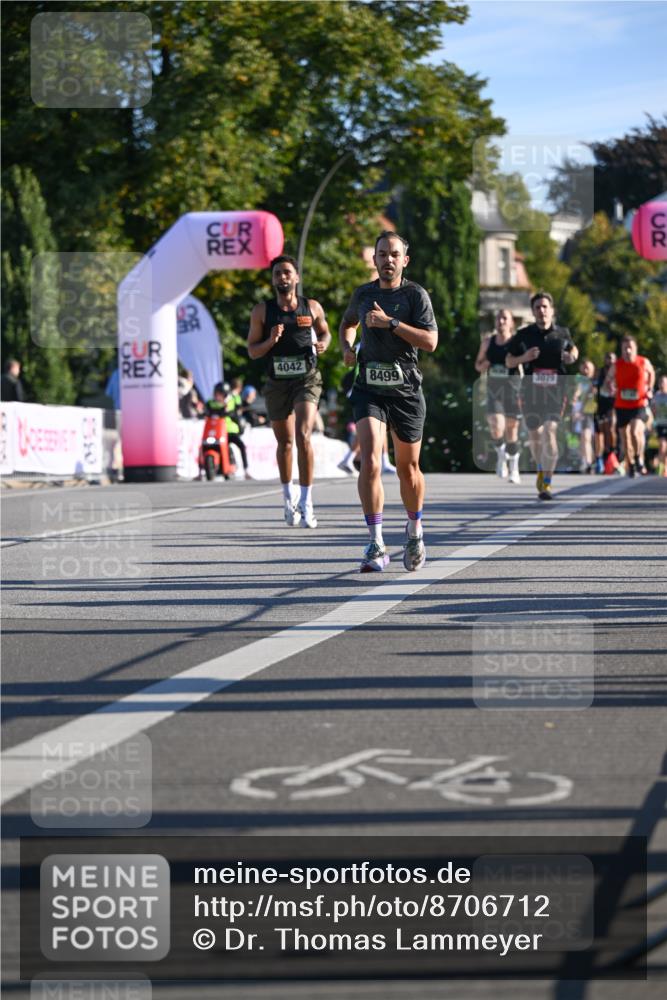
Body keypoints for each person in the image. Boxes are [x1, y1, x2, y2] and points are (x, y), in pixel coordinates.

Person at [339, 230, 438, 572]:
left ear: (404, 260)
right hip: (369, 386)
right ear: (375, 259)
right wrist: (347, 347)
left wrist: (391, 323)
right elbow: (347, 324)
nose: (388, 260)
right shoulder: (363, 294)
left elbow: (430, 342)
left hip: (406, 390)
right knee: (370, 460)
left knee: (408, 470)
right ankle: (376, 543)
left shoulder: (415, 295)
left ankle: (414, 530)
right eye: (382, 254)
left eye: (394, 254)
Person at [247, 254, 331, 527]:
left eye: (286, 272)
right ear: (273, 280)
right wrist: (270, 340)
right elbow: (252, 351)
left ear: (296, 277)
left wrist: (324, 344)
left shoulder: (312, 307)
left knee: (303, 434)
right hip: (276, 382)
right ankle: (288, 499)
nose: (282, 277)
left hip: (306, 379)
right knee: (284, 443)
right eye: (277, 274)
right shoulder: (262, 311)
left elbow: (326, 333)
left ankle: (307, 502)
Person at [505, 291, 578, 500]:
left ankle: (547, 481)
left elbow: (574, 351)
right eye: (538, 307)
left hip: (556, 392)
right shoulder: (524, 334)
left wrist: (571, 356)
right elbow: (509, 361)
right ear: (533, 311)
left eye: (545, 307)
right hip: (531, 393)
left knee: (550, 431)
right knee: (535, 437)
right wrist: (524, 357)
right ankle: (540, 467)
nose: (542, 310)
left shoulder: (562, 333)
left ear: (551, 310)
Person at [474, 308, 522, 484]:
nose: (501, 321)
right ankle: (501, 457)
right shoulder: (488, 342)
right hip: (494, 391)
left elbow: (525, 362)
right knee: (496, 426)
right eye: (498, 318)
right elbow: (477, 366)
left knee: (512, 431)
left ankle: (514, 468)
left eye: (504, 318)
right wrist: (484, 363)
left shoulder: (517, 343)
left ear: (511, 322)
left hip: (513, 390)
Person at [604, 336, 655, 477]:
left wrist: (649, 388)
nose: (627, 351)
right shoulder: (617, 365)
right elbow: (608, 379)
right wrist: (611, 387)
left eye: (630, 348)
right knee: (625, 438)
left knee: (634, 431)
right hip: (621, 405)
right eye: (624, 348)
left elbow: (652, 373)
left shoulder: (643, 362)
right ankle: (630, 463)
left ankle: (639, 457)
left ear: (635, 349)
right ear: (621, 350)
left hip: (639, 404)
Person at [206, 382, 252, 480]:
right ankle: (201, 469)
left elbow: (234, 411)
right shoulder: (211, 403)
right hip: (215, 432)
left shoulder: (231, 401)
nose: (218, 396)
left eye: (220, 394)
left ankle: (246, 469)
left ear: (225, 394)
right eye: (217, 394)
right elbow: (208, 411)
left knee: (241, 446)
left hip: (230, 431)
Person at [571, 359, 597, 474]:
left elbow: (591, 398)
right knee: (583, 438)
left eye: (588, 368)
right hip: (581, 412)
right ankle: (586, 461)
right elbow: (576, 394)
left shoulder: (595, 382)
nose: (586, 370)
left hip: (591, 412)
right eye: (584, 367)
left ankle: (589, 462)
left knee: (587, 437)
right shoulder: (578, 380)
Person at [594, 351, 617, 474]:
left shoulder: (618, 372)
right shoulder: (600, 372)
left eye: (612, 359)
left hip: (613, 405)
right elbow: (595, 385)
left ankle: (612, 452)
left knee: (612, 427)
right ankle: (600, 458)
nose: (610, 361)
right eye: (608, 358)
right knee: (600, 432)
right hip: (601, 404)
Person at [650, 373, 667, 476]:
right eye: (660, 382)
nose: (662, 384)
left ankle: (665, 466)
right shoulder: (656, 396)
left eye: (664, 382)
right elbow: (653, 410)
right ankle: (661, 467)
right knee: (662, 445)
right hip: (660, 424)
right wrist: (653, 423)